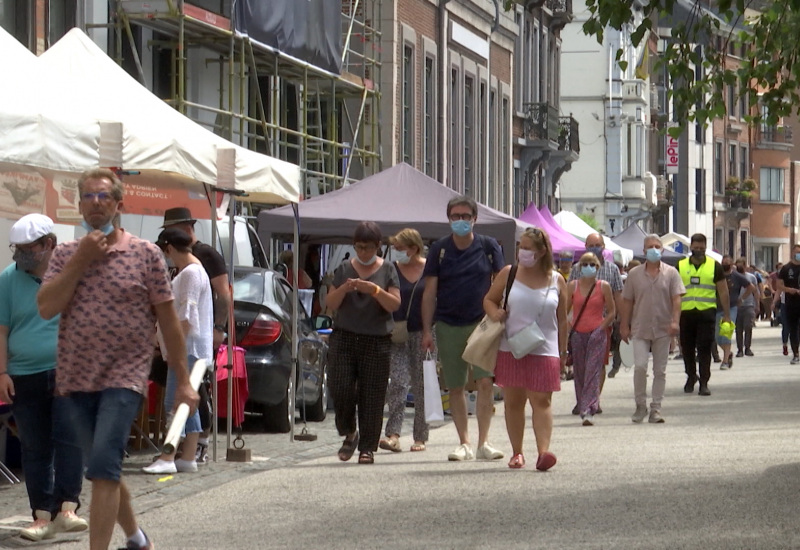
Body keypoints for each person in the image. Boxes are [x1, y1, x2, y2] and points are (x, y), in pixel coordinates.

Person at [38, 168, 199, 550]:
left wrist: (184, 379)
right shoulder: (64, 254)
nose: (96, 204)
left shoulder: (145, 255)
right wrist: (82, 259)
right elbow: (46, 307)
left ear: (118, 204)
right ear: (79, 204)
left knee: (104, 469)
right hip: (76, 378)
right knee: (103, 469)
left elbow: (169, 320)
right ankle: (136, 537)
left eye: (104, 197)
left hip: (124, 379)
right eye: (89, 197)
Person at [0, 214, 87, 541]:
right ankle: (40, 515)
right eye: (17, 248)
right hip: (24, 373)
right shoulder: (8, 279)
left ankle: (67, 506)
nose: (20, 254)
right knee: (34, 446)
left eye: (28, 248)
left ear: (49, 244)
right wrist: (2, 371)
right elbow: (2, 329)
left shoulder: (71, 273)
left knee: (69, 437)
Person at [421, 196, 505, 461]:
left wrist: (500, 317)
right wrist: (426, 329)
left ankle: (484, 442)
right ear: (449, 219)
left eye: (465, 216)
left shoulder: (489, 246)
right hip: (447, 323)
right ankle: (464, 442)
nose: (460, 221)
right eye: (455, 216)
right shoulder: (439, 249)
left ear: (474, 219)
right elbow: (429, 291)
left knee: (485, 382)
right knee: (455, 386)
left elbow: (501, 282)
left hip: (482, 324)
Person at [484, 227, 566, 469]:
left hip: (545, 347)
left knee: (542, 400)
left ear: (542, 252)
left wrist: (563, 350)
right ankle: (517, 452)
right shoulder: (509, 273)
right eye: (522, 246)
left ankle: (543, 452)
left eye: (529, 248)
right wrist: (495, 312)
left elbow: (562, 319)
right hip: (512, 345)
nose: (523, 252)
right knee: (514, 401)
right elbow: (488, 299)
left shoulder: (557, 279)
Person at [325, 221, 401, 464]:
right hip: (345, 337)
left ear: (378, 246)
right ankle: (349, 432)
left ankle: (367, 446)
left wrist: (375, 291)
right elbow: (331, 303)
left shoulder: (388, 268)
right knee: (341, 388)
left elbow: (394, 304)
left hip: (376, 339)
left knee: (372, 394)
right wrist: (345, 289)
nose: (363, 252)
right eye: (358, 247)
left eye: (367, 248)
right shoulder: (345, 268)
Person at [161, 207, 231, 462]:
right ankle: (186, 451)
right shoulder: (183, 266)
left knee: (189, 392)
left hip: (193, 339)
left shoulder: (204, 257)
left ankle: (191, 446)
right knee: (184, 393)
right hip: (184, 339)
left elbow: (223, 294)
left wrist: (218, 328)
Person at [142, 228, 213, 475]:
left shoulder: (191, 273)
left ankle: (168, 455)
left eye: (164, 251)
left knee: (176, 401)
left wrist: (172, 345)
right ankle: (188, 456)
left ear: (169, 248)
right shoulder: (194, 271)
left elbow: (186, 316)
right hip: (193, 348)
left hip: (187, 349)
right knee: (188, 402)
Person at [619, 235, 685, 424]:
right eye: (650, 247)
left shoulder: (671, 273)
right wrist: (624, 324)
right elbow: (627, 300)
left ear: (662, 250)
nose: (654, 249)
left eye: (657, 246)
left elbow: (676, 299)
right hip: (640, 327)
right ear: (644, 250)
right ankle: (640, 405)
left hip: (663, 327)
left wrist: (675, 321)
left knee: (660, 370)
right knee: (640, 367)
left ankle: (656, 408)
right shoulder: (634, 274)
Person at [380, 229, 429, 453]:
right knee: (398, 382)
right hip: (397, 331)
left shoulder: (429, 269)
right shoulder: (391, 269)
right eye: (395, 248)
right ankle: (393, 435)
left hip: (423, 331)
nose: (397, 252)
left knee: (421, 385)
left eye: (400, 248)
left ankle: (420, 436)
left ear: (414, 248)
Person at [568, 233, 623, 393]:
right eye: (590, 245)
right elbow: (569, 297)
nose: (594, 248)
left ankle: (594, 399)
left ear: (603, 246)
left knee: (599, 363)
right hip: (579, 325)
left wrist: (621, 321)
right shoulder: (577, 269)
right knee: (581, 364)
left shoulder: (612, 269)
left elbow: (618, 295)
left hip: (603, 324)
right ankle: (584, 397)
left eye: (597, 244)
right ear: (585, 247)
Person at [565, 252, 615, 426]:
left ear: (597, 267)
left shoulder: (603, 286)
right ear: (579, 267)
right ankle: (582, 403)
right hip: (578, 333)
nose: (588, 267)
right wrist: (570, 328)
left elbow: (612, 311)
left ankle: (589, 408)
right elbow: (564, 311)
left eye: (592, 264)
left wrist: (602, 327)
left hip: (597, 333)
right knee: (579, 371)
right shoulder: (572, 286)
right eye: (585, 263)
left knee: (593, 371)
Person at [677, 233, 730, 396]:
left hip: (706, 313)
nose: (698, 250)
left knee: (705, 347)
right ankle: (691, 376)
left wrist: (727, 314)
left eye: (701, 248)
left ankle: (704, 382)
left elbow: (723, 291)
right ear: (690, 247)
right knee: (686, 348)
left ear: (705, 248)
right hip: (685, 313)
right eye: (696, 247)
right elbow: (673, 291)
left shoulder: (714, 266)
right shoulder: (680, 265)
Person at [717, 255, 754, 370]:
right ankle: (728, 353)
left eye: (728, 262)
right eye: (724, 262)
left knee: (726, 333)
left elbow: (751, 287)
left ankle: (725, 361)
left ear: (732, 264)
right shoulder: (717, 275)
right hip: (717, 308)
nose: (725, 264)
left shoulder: (736, 276)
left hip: (731, 307)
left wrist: (741, 299)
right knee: (717, 337)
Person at [777, 245, 800, 364]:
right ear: (792, 253)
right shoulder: (786, 268)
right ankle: (795, 353)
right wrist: (789, 290)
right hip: (791, 303)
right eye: (797, 253)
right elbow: (779, 285)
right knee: (793, 329)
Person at [734, 258, 759, 357]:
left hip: (749, 305)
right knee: (738, 329)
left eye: (741, 265)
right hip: (736, 306)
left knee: (748, 326)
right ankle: (739, 349)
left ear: (745, 266)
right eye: (737, 265)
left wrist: (757, 304)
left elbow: (755, 291)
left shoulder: (751, 277)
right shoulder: (733, 277)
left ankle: (747, 348)